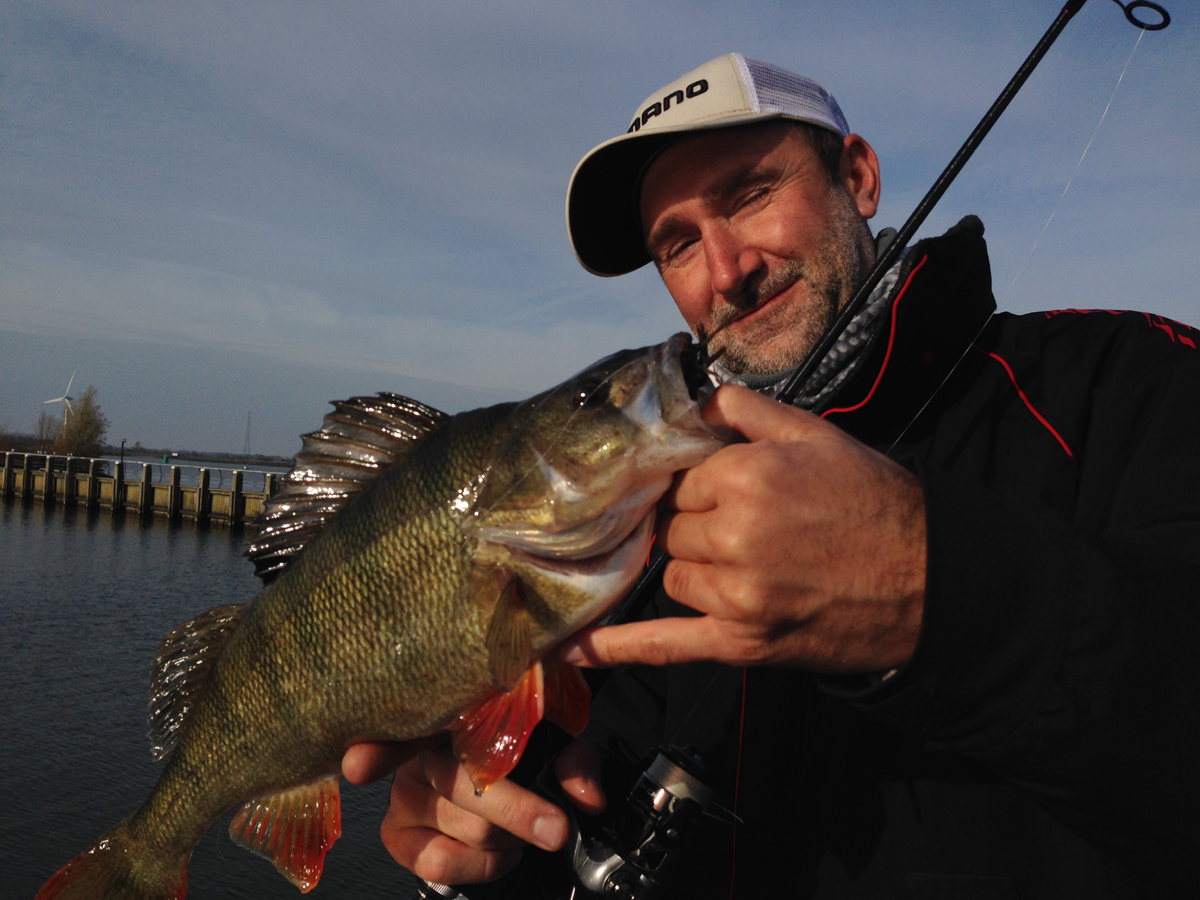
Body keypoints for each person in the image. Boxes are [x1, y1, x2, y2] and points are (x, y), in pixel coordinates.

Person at [343, 55, 1200, 897]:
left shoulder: (1135, 384)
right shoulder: (645, 525)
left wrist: (933, 593)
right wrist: (488, 844)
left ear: (858, 178)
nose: (727, 271)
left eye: (751, 195)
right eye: (676, 246)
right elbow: (583, 796)